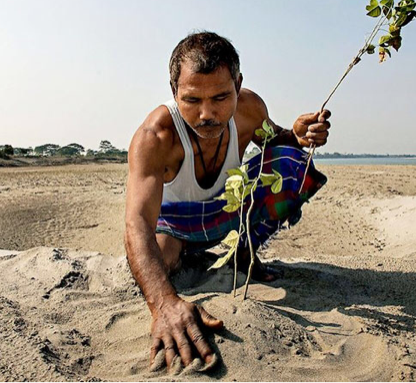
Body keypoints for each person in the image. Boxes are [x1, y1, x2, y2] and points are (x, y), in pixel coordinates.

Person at [124, 31, 331, 372]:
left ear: (238, 84)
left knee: (292, 162)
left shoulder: (250, 108)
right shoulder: (155, 136)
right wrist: (163, 304)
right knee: (161, 262)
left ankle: (243, 253)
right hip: (174, 223)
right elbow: (137, 223)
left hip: (229, 212)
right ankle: (190, 255)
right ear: (174, 90)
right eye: (191, 100)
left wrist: (296, 135)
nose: (207, 114)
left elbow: (275, 139)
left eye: (221, 97)